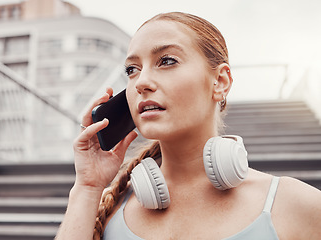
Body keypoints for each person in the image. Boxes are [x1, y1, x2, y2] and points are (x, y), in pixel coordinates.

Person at [56, 12, 321, 240]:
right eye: (132, 69)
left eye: (167, 61)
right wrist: (87, 187)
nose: (141, 82)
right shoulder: (105, 206)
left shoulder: (296, 204)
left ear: (220, 82)